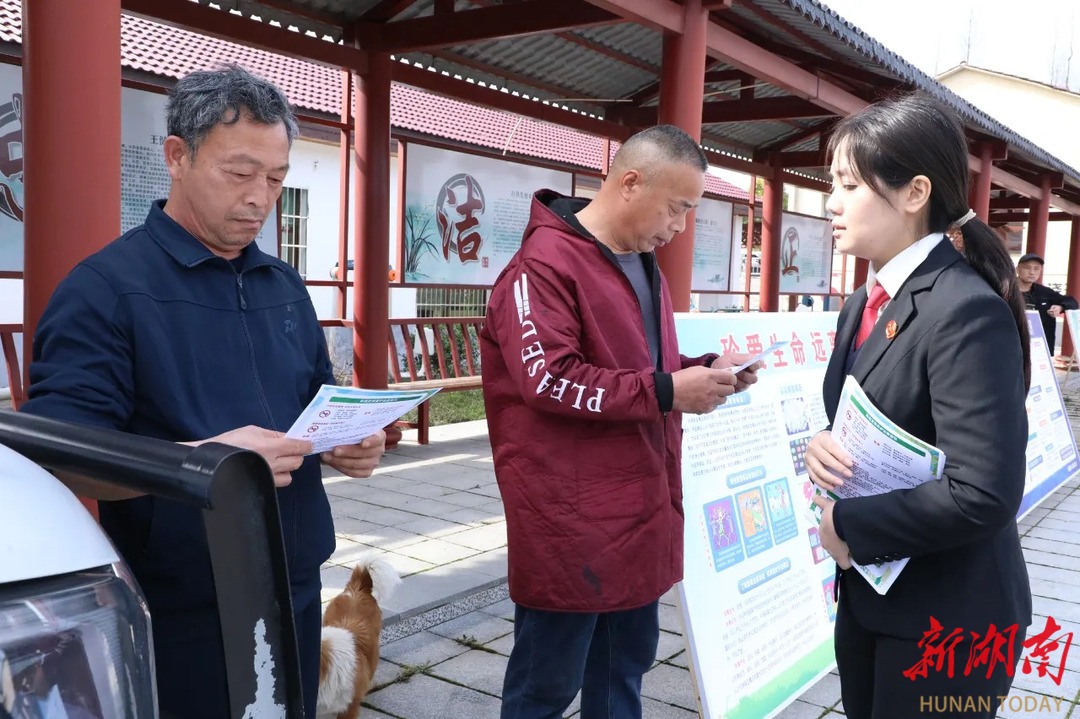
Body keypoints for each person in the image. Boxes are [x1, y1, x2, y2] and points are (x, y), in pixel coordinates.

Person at [19, 65, 385, 719]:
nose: (259, 198)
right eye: (239, 173)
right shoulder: (106, 289)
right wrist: (205, 463)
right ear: (177, 156)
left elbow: (315, 396)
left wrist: (347, 439)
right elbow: (61, 454)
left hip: (296, 579)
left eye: (276, 179)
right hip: (184, 601)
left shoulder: (282, 285)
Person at [479, 124, 762, 719]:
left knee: (623, 673)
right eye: (677, 207)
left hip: (640, 509)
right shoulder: (541, 266)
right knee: (547, 685)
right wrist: (668, 390)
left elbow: (638, 367)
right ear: (630, 182)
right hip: (571, 520)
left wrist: (703, 370)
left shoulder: (641, 262)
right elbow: (548, 380)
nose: (680, 226)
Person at [806, 93, 1032, 719]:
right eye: (833, 183)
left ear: (915, 193)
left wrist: (848, 527)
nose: (831, 202)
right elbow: (870, 414)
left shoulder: (964, 309)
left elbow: (983, 493)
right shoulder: (864, 303)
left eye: (849, 184)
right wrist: (826, 445)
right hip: (873, 601)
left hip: (949, 621)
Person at [1016, 252, 1077, 353]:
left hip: (1040, 349)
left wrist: (1060, 307)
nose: (1032, 272)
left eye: (1036, 269)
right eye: (1027, 268)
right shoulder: (1005, 291)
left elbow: (1073, 302)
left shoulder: (1045, 293)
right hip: (1013, 346)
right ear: (1017, 269)